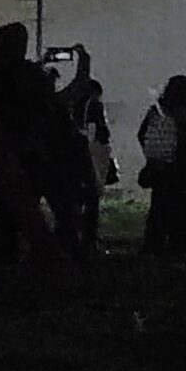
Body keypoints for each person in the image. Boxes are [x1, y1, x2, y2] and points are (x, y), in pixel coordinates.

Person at [0, 22, 72, 258]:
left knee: (9, 196)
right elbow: (47, 105)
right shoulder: (27, 75)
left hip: (12, 144)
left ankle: (13, 241)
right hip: (31, 145)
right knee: (46, 194)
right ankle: (57, 240)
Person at [136, 75, 186, 257]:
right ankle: (179, 244)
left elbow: (142, 133)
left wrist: (155, 155)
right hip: (184, 170)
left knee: (159, 208)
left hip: (160, 167)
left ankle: (153, 243)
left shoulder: (158, 111)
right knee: (183, 210)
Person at [57, 49, 114, 255]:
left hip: (66, 155)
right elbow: (102, 133)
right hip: (85, 154)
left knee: (70, 199)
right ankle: (87, 240)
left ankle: (68, 237)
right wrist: (83, 56)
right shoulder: (91, 105)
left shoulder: (59, 101)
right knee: (90, 198)